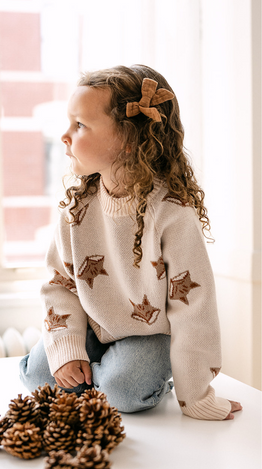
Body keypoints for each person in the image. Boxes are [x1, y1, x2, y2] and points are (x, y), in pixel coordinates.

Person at [19, 64, 242, 420]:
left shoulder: (172, 214)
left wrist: (196, 394)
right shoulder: (76, 210)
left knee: (125, 389)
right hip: (95, 325)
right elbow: (59, 284)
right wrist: (68, 348)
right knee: (38, 376)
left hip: (150, 336)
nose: (64, 135)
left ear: (126, 140)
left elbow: (193, 306)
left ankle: (130, 379)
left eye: (79, 125)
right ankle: (96, 372)